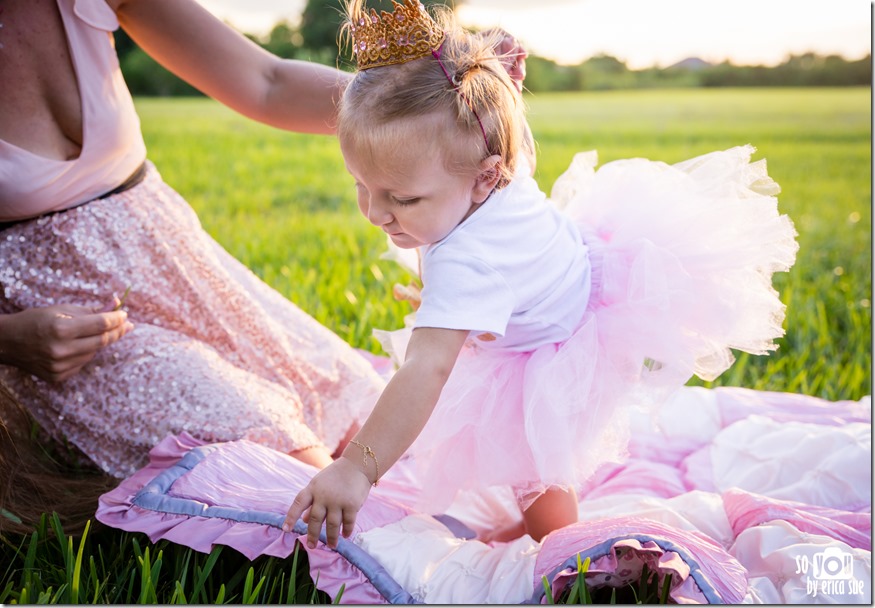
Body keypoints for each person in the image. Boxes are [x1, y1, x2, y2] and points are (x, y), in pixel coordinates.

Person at [0, 0, 530, 531]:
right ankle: (431, 557)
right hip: (63, 313)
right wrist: (7, 339)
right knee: (278, 451)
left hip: (175, 261)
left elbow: (267, 80)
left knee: (360, 405)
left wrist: (441, 103)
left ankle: (479, 529)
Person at [284, 0, 798, 546]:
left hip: (556, 340)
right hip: (578, 270)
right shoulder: (491, 140)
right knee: (528, 454)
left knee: (535, 460)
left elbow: (426, 368)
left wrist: (358, 467)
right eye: (361, 185)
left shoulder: (467, 259)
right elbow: (496, 104)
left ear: (487, 178)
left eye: (403, 197)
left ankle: (563, 550)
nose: (376, 212)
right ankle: (546, 529)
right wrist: (499, 64)